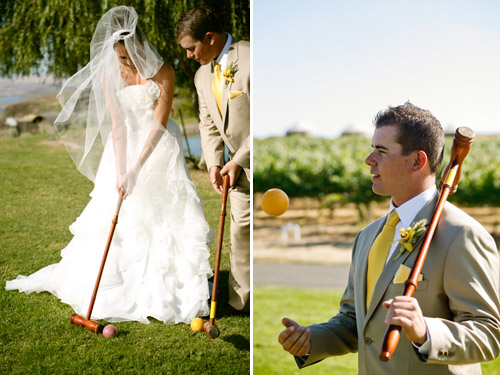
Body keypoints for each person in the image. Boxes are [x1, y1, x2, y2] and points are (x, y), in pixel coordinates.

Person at [6, 6, 213, 325]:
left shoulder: (164, 72)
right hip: (122, 152)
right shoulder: (110, 75)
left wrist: (138, 168)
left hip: (158, 150)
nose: (125, 63)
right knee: (118, 221)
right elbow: (118, 127)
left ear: (141, 46)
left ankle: (175, 288)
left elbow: (159, 125)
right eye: (119, 57)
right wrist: (122, 170)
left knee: (165, 218)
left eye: (128, 56)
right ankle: (112, 284)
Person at [278, 102, 500, 374]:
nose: (369, 160)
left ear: (417, 161)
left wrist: (426, 331)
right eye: (372, 149)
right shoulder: (367, 237)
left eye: (381, 151)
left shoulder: (462, 235)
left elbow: (488, 333)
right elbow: (356, 321)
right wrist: (312, 339)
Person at [175, 8, 250, 312]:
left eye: (192, 48)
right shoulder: (200, 76)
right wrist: (214, 164)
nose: (190, 56)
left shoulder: (250, 59)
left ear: (210, 37)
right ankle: (241, 301)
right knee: (239, 231)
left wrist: (241, 158)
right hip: (238, 171)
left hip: (257, 159)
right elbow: (208, 124)